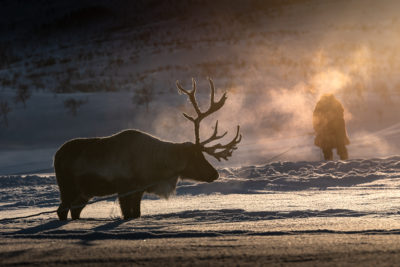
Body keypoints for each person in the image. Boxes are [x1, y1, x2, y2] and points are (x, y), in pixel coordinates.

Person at [313, 94, 350, 160]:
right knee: (328, 147)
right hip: (327, 130)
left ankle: (344, 161)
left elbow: (340, 114)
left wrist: (317, 127)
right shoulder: (331, 103)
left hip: (337, 129)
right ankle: (331, 162)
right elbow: (316, 117)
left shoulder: (334, 103)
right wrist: (317, 127)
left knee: (339, 145)